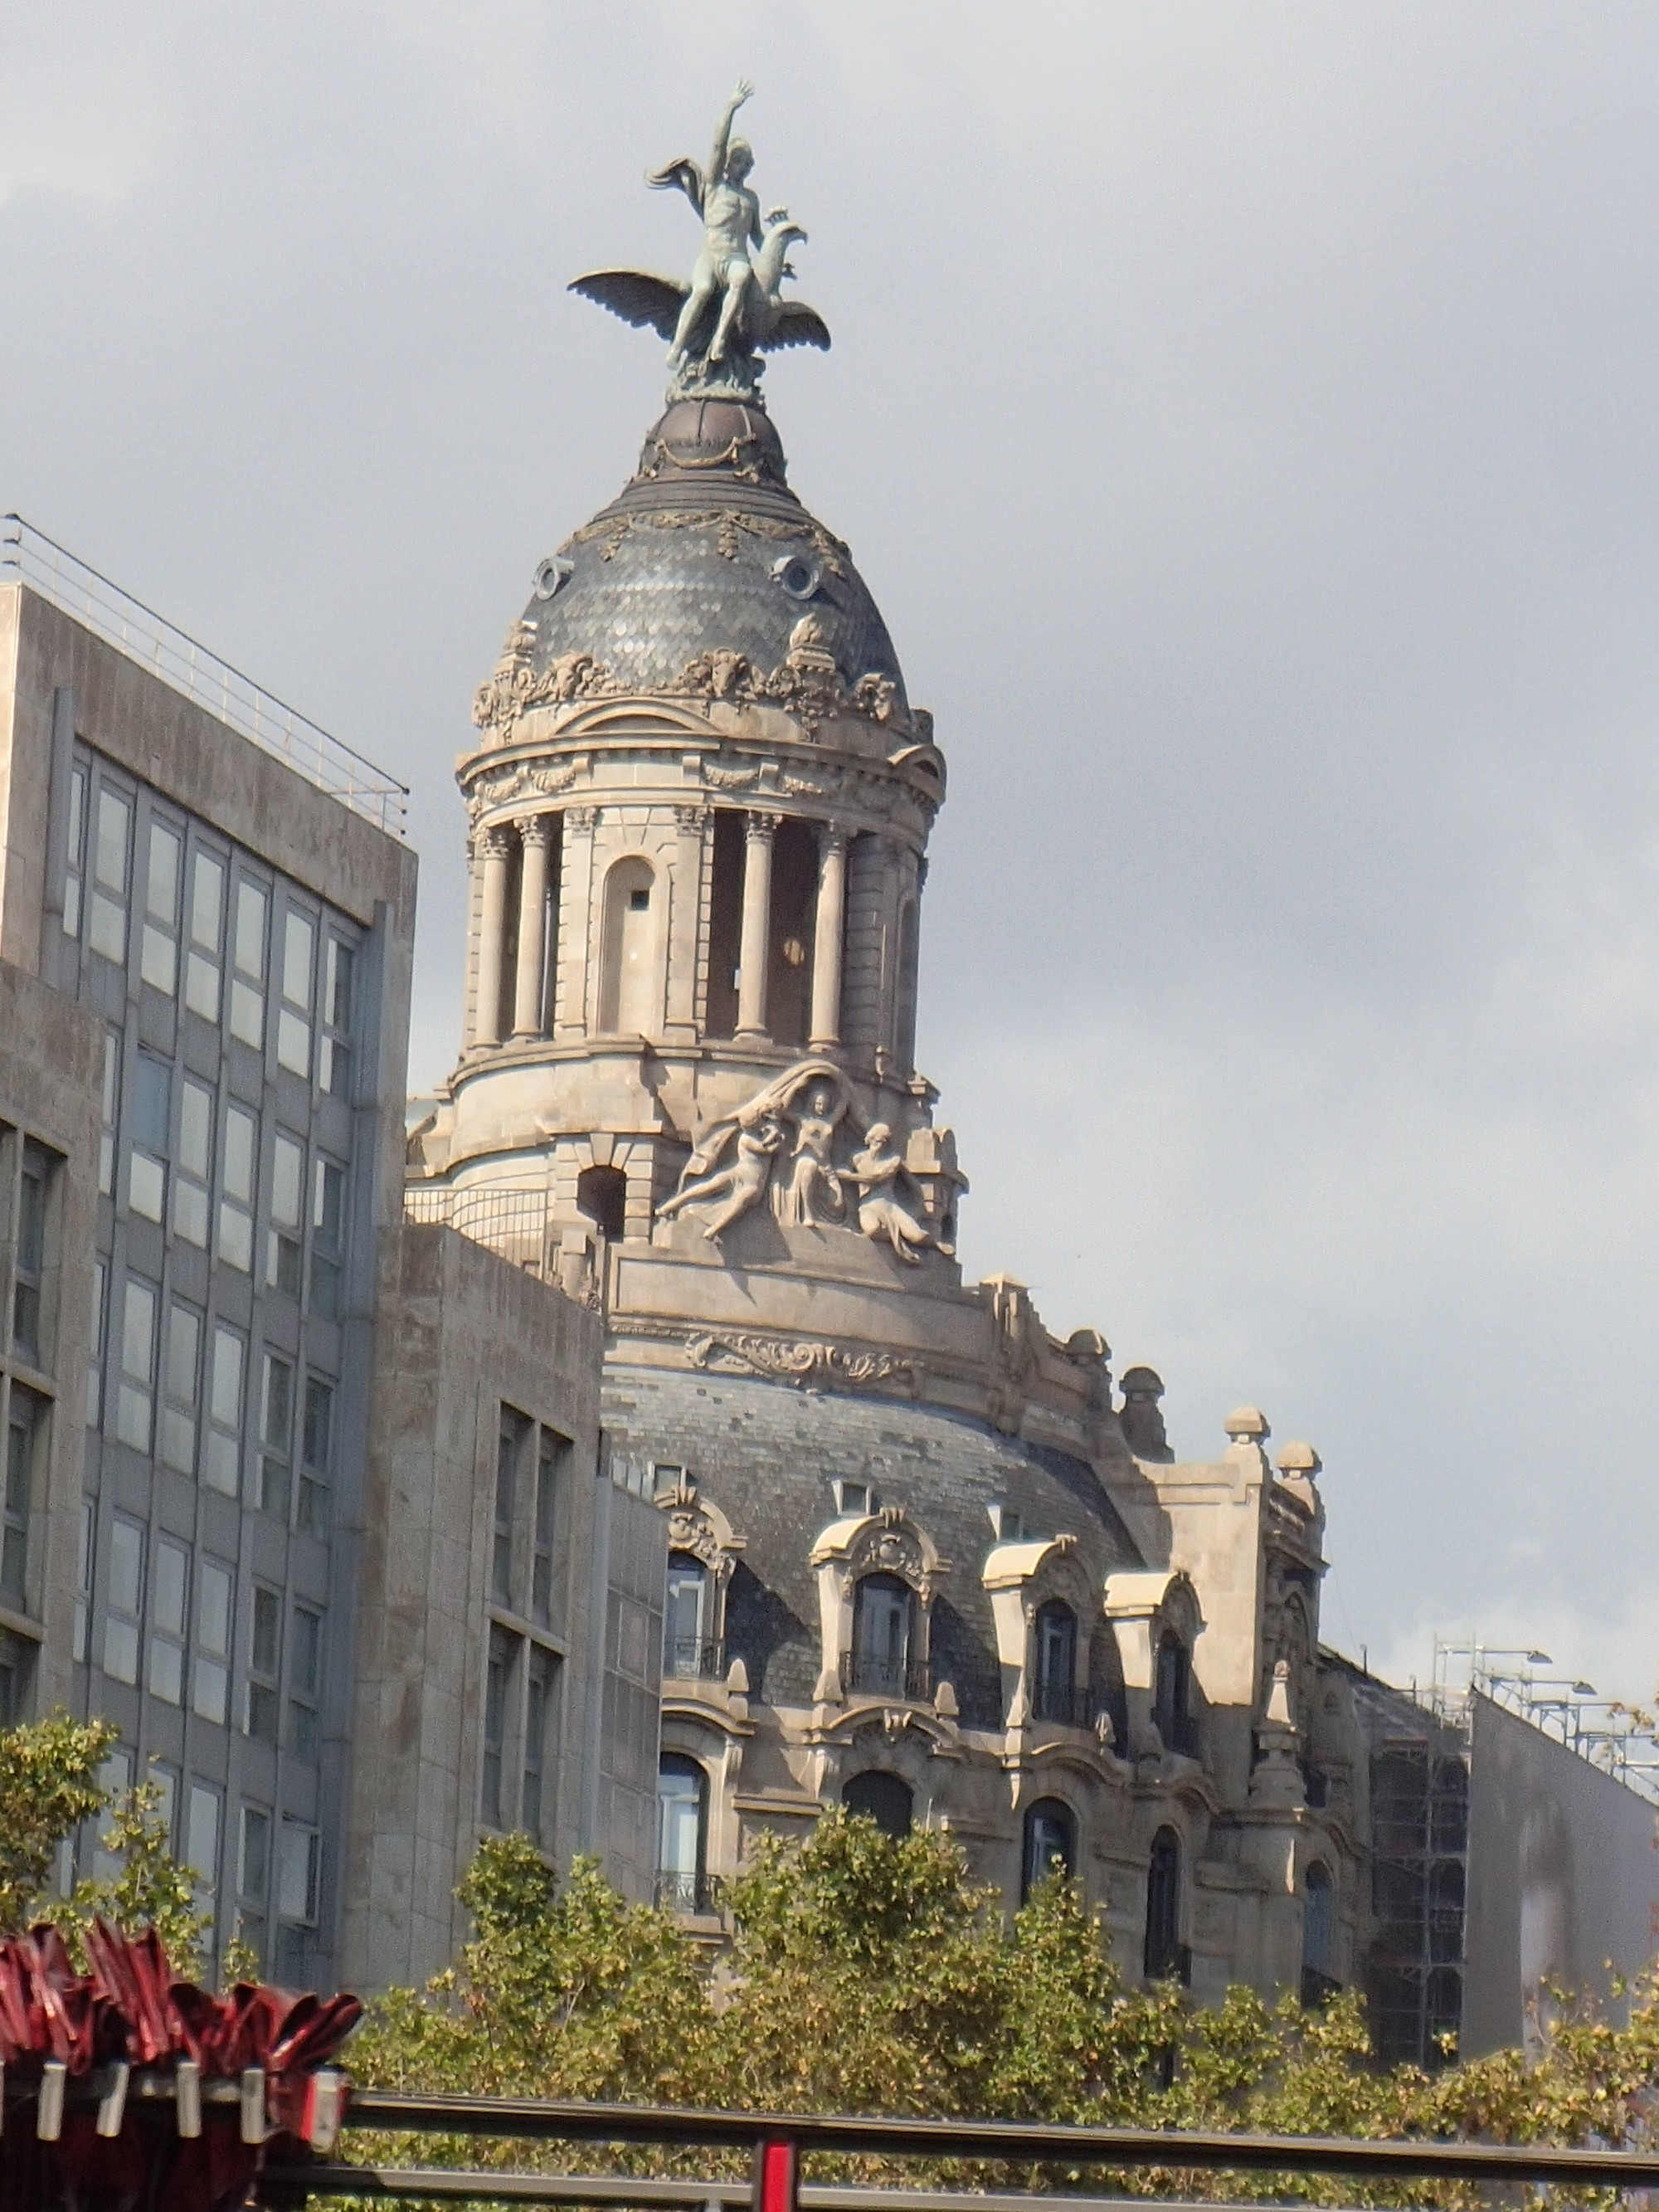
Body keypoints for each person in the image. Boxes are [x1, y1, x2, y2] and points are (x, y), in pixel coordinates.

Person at [659, 79, 765, 369]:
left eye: (747, 163)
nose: (744, 167)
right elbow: (718, 143)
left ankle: (719, 339)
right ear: (729, 163)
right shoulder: (716, 187)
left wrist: (777, 253)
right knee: (703, 290)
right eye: (739, 161)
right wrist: (731, 107)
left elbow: (758, 238)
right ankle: (677, 346)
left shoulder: (751, 200)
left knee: (742, 277)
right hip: (712, 255)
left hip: (735, 258)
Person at [659, 1110, 785, 1240]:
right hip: (742, 1176)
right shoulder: (747, 1139)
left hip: (747, 1179)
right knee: (712, 1189)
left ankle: (711, 1229)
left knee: (734, 1198)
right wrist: (777, 1139)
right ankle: (671, 1206)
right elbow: (766, 1149)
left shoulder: (758, 1134)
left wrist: (774, 1131)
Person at [847, 1124, 932, 1263]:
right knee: (872, 1230)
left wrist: (918, 1206)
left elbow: (875, 1179)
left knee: (917, 1236)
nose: (878, 1145)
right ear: (869, 1139)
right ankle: (897, 1237)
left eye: (882, 1141)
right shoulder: (858, 1159)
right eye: (875, 1140)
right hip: (868, 1206)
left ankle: (937, 1245)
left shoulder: (894, 1161)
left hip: (891, 1207)